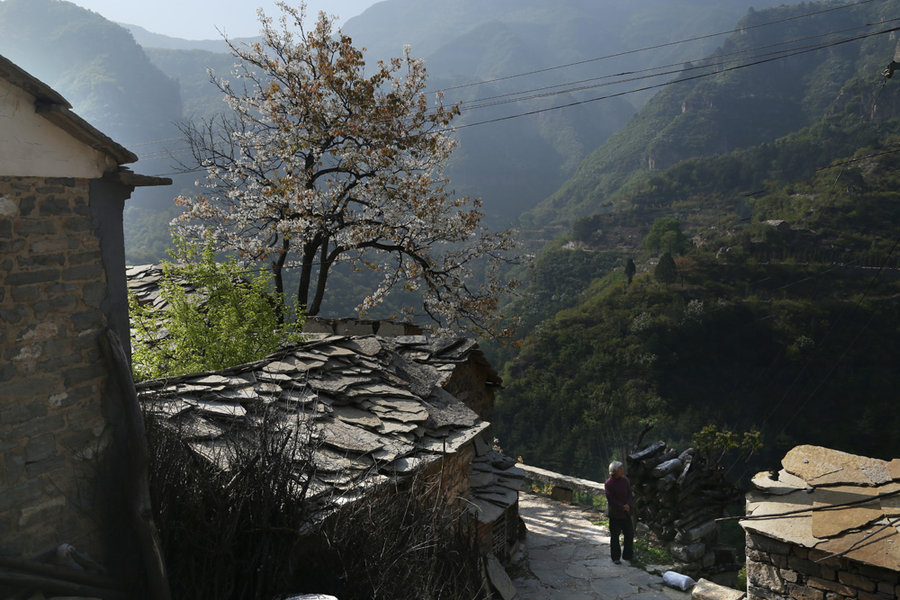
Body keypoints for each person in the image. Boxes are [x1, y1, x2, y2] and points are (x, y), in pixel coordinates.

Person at [604, 460, 634, 564]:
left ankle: (628, 555)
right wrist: (622, 507)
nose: (622, 470)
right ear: (615, 471)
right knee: (615, 536)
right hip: (615, 514)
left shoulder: (625, 480)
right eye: (620, 469)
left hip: (626, 513)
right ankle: (616, 557)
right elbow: (611, 500)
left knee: (629, 534)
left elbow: (629, 493)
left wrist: (628, 505)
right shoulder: (609, 484)